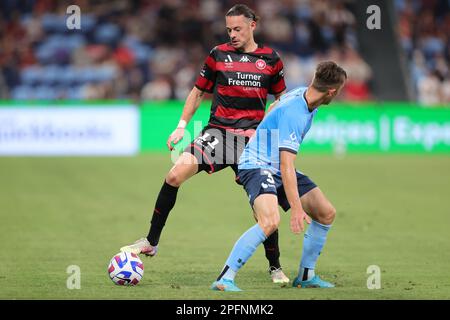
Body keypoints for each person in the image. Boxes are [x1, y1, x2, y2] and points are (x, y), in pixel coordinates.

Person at [120, 4, 290, 283]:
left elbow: (281, 100)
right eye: (229, 30)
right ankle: (151, 241)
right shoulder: (218, 54)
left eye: (237, 28)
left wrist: (269, 127)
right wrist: (180, 127)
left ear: (252, 25)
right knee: (174, 174)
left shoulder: (271, 59)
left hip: (252, 142)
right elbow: (198, 92)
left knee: (264, 210)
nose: (232, 34)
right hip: (218, 134)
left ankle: (275, 266)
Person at [211, 61, 347, 291]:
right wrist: (296, 208)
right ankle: (225, 278)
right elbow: (286, 165)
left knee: (325, 213)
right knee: (270, 221)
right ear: (332, 91)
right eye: (339, 91)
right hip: (258, 165)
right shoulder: (297, 113)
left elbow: (274, 108)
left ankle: (305, 275)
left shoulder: (301, 94)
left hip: (271, 164)